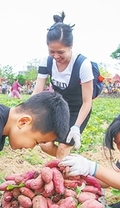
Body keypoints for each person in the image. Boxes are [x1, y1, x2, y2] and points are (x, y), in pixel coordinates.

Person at [32, 12, 94, 158]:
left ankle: (63, 170)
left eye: (61, 52)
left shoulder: (82, 65)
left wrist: (76, 127)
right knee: (45, 144)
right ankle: (72, 161)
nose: (56, 56)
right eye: (51, 51)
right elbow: (37, 91)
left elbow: (87, 101)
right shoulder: (46, 62)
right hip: (59, 108)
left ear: (71, 46)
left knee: (62, 147)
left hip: (77, 110)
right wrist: (24, 111)